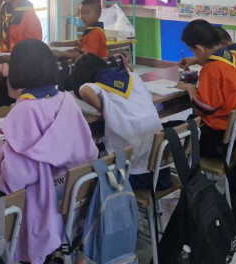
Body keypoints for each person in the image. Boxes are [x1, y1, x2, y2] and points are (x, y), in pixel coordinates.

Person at [0, 39, 94, 264]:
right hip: (71, 203)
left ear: (18, 73)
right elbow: (89, 151)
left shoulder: (24, 110)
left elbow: (17, 176)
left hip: (39, 212)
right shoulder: (66, 100)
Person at [70, 53, 171, 191]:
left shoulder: (97, 86)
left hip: (131, 176)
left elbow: (85, 91)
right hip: (161, 170)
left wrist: (104, 110)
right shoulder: (133, 77)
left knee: (91, 157)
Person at [176, 20, 236, 158]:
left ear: (199, 49)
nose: (193, 55)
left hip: (215, 140)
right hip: (235, 134)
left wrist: (190, 88)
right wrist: (197, 60)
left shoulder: (211, 69)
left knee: (168, 129)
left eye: (192, 51)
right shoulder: (234, 58)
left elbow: (202, 110)